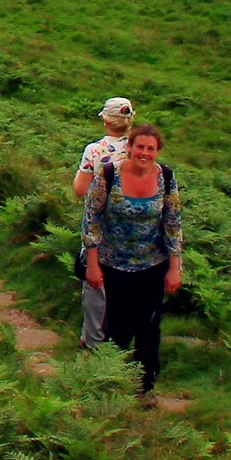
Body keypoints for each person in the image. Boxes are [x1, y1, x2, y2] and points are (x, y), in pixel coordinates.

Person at [82, 123, 183, 397]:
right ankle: (108, 381)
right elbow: (92, 219)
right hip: (113, 263)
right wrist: (92, 264)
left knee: (150, 327)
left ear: (157, 151)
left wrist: (174, 268)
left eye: (151, 149)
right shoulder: (109, 174)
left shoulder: (167, 177)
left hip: (153, 263)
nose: (144, 153)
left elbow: (172, 224)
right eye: (140, 147)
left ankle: (145, 387)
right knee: (118, 325)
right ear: (129, 147)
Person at [72, 98, 138, 350]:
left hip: (100, 221)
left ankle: (92, 338)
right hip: (131, 223)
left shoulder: (95, 150)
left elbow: (80, 189)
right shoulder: (137, 148)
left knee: (95, 281)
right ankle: (120, 339)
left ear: (106, 120)